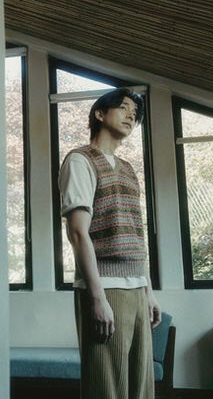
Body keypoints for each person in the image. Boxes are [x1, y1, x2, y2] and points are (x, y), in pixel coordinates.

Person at [59, 87, 161, 399]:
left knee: (141, 387)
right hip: (105, 288)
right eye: (124, 107)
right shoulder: (80, 160)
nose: (132, 115)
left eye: (135, 112)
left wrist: (148, 291)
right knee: (107, 387)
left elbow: (135, 233)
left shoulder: (128, 169)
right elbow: (78, 233)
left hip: (137, 289)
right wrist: (97, 298)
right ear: (100, 114)